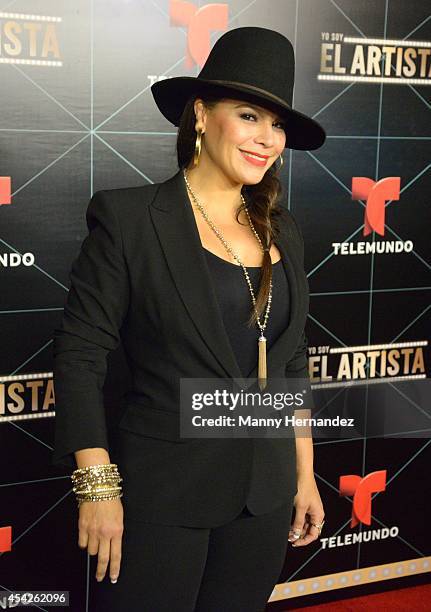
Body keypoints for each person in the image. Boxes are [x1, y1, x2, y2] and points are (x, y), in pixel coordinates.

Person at [52, 27, 326, 611]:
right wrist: (97, 488)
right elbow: (80, 358)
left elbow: (291, 360)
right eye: (250, 115)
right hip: (160, 495)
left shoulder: (285, 231)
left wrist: (303, 472)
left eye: (277, 124)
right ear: (201, 115)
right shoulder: (129, 220)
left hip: (263, 493)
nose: (267, 139)